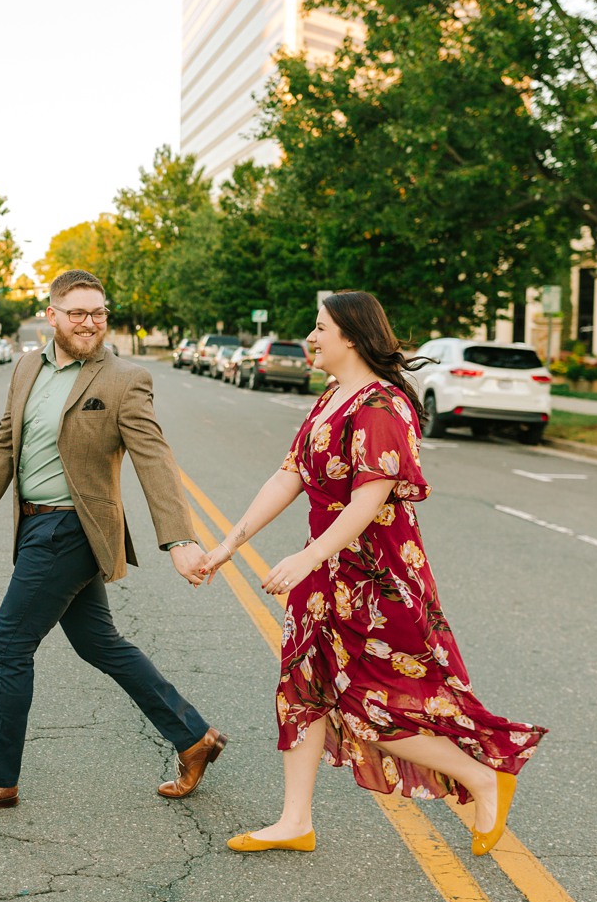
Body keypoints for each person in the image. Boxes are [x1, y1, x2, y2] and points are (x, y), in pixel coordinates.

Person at [198, 292, 545, 856]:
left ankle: (482, 777)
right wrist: (227, 546)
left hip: (375, 577)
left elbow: (369, 500)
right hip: (324, 569)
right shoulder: (333, 398)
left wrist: (308, 557)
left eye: (318, 329)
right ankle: (294, 821)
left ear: (351, 337)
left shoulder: (381, 407)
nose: (310, 339)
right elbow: (287, 477)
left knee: (373, 702)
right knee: (302, 689)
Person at [0, 269, 225, 813]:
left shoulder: (123, 380)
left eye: (99, 312)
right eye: (78, 312)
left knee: (8, 648)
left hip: (71, 528)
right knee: (99, 644)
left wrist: (179, 539)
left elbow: (154, 458)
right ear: (52, 315)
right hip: (33, 523)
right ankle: (193, 736)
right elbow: (3, 442)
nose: (91, 322)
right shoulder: (25, 368)